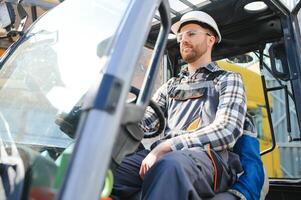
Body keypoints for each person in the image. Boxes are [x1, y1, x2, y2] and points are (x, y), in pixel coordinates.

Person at [112, 11, 266, 200]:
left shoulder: (227, 79)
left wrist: (166, 146)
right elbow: (145, 122)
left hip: (209, 157)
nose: (183, 40)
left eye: (191, 34)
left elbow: (227, 130)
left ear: (211, 40)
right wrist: (114, 120)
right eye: (181, 36)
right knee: (108, 170)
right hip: (168, 155)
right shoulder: (171, 86)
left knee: (170, 166)